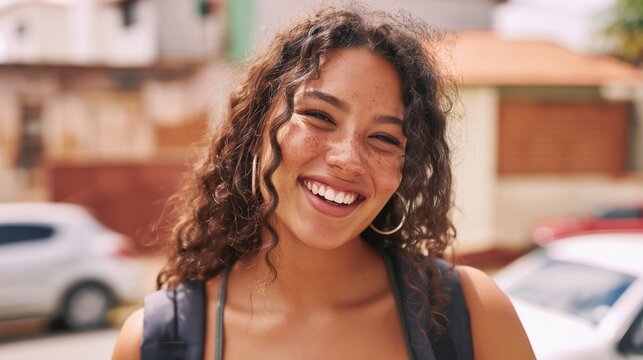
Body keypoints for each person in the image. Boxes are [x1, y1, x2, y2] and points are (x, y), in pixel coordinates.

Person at [113, 5, 535, 360]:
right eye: (318, 116)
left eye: (384, 139)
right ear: (256, 128)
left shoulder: (469, 317)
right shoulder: (160, 341)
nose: (347, 159)